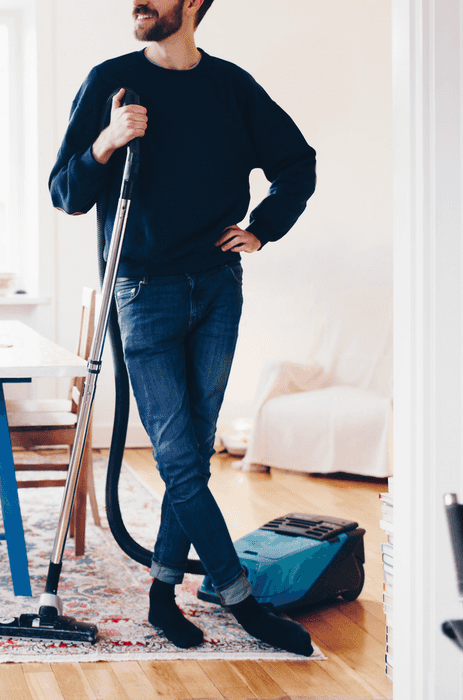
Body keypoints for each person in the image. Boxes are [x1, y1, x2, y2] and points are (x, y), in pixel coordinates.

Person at [49, 0, 317, 655]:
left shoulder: (231, 87)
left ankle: (161, 596)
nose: (136, 2)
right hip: (142, 293)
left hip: (217, 287)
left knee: (189, 455)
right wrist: (106, 141)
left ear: (192, 3)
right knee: (178, 459)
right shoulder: (110, 81)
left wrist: (261, 228)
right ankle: (240, 600)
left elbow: (297, 164)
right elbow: (65, 191)